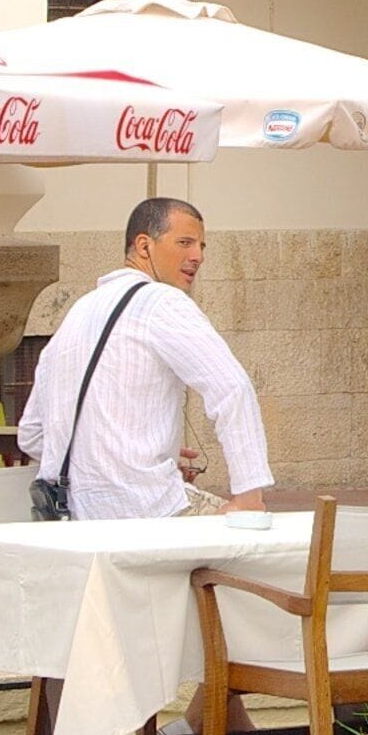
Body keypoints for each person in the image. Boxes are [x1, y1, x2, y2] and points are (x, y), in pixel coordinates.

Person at [15, 197, 275, 520]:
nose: (198, 256)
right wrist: (249, 498)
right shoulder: (163, 302)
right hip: (149, 513)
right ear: (144, 246)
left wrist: (125, 456)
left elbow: (31, 434)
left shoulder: (77, 313)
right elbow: (232, 389)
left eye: (202, 246)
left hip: (75, 519)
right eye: (185, 242)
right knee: (265, 542)